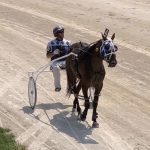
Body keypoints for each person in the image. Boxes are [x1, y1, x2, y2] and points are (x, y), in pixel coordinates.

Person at [46, 25, 71, 92]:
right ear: (57, 34)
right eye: (61, 32)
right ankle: (57, 86)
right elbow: (48, 56)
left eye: (63, 31)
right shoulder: (51, 43)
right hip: (55, 62)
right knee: (55, 68)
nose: (63, 33)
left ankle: (70, 87)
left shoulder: (68, 43)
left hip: (66, 62)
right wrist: (54, 53)